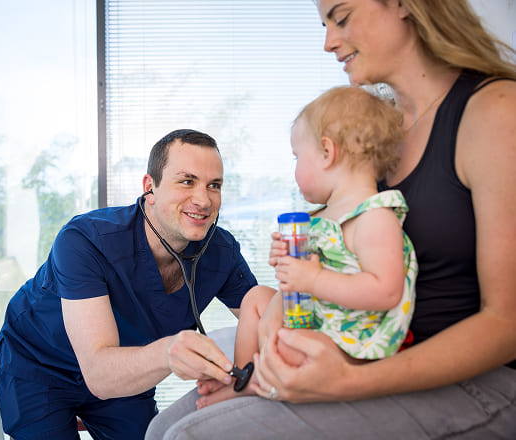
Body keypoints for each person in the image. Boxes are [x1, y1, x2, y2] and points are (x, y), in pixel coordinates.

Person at [145, 1, 516, 438]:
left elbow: (507, 321)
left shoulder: (495, 112)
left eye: (340, 17)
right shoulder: (377, 134)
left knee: (189, 436)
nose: (328, 42)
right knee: (164, 426)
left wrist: (348, 381)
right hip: (364, 351)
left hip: (468, 380)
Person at [0, 129, 257, 440]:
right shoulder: (85, 240)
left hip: (124, 368)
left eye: (214, 185)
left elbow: (267, 319)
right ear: (150, 187)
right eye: (187, 181)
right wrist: (169, 352)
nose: (203, 199)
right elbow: (100, 375)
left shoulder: (220, 251)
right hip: (39, 364)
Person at [194, 86, 418, 409]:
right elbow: (301, 279)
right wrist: (287, 263)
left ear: (327, 152)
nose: (295, 168)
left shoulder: (373, 217)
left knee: (297, 346)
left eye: (298, 157)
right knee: (255, 298)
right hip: (315, 318)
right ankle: (243, 376)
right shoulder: (321, 217)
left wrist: (312, 279)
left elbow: (385, 292)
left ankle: (258, 383)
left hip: (348, 339)